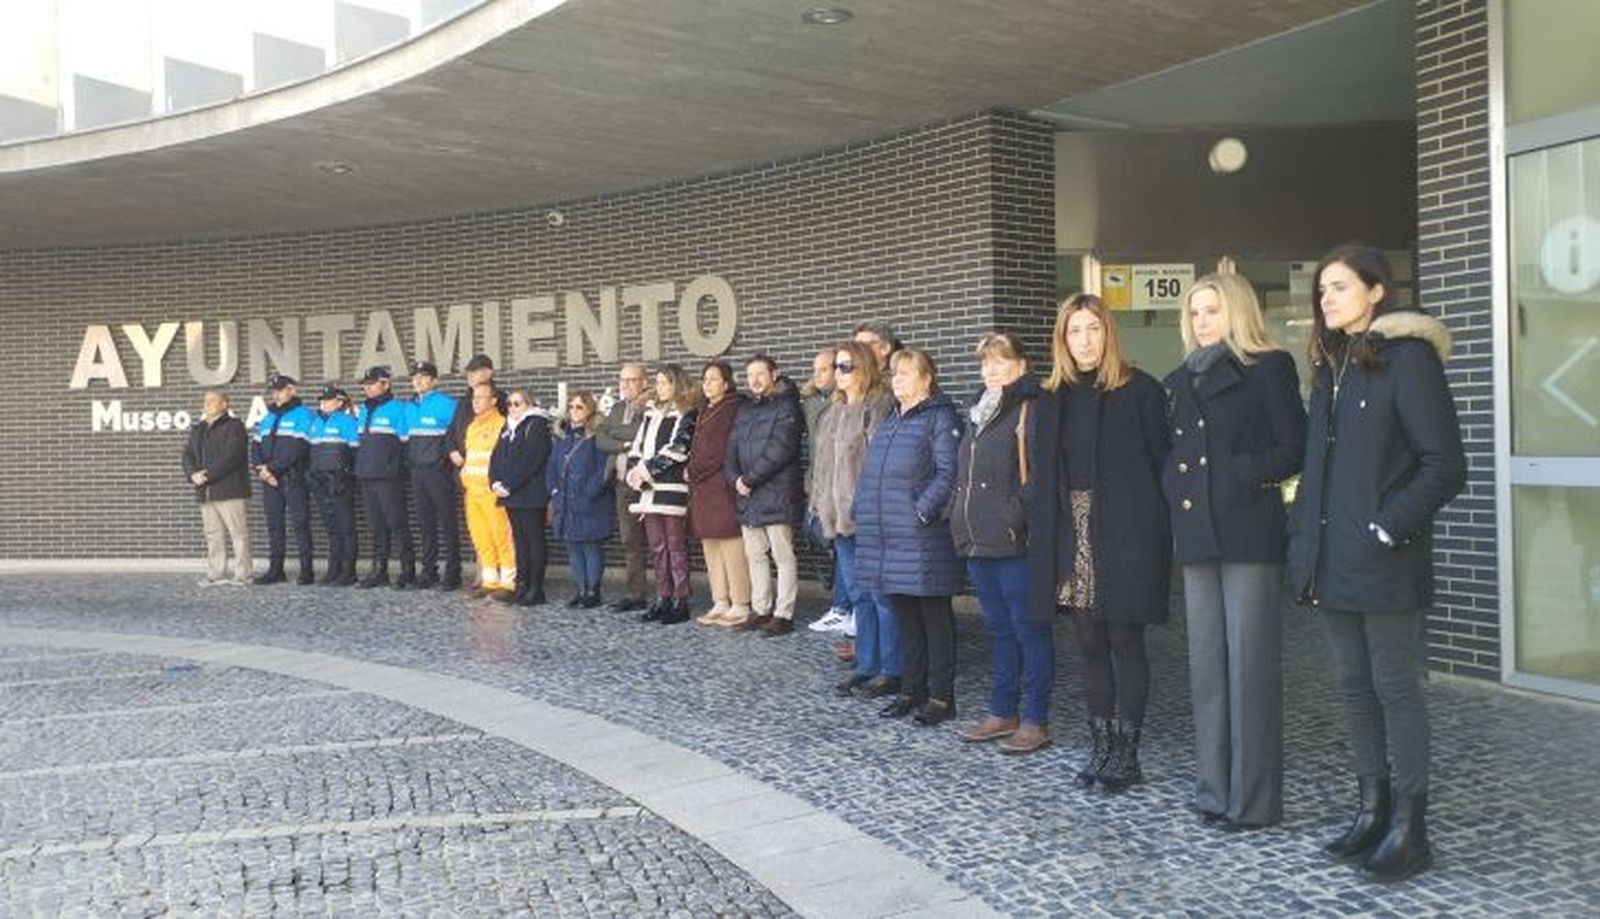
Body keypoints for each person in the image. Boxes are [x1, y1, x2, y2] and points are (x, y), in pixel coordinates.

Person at [1287, 244, 1465, 882]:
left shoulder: (1407, 360)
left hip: (1385, 562)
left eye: (1338, 287)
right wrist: (1302, 540)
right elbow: (1319, 471)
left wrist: (1387, 528)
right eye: (1322, 291)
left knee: (1395, 689)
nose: (1326, 298)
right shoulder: (1332, 364)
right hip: (1333, 562)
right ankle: (1372, 810)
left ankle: (1411, 829)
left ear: (1376, 292)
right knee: (1354, 689)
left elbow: (1445, 464)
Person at [1164, 273, 1307, 826]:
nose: (1202, 321)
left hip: (1248, 533)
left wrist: (1237, 474)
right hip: (1199, 535)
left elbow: (1292, 448)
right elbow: (1169, 452)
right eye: (1195, 312)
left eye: (1213, 311)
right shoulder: (1178, 380)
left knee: (1250, 672)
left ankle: (1253, 801)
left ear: (1238, 313)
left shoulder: (1267, 367)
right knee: (1207, 671)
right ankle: (1213, 790)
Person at [1027, 294, 1172, 792]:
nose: (1085, 340)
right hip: (1071, 529)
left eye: (1093, 329)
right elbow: (1043, 475)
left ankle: (1128, 752)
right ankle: (1101, 744)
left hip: (1127, 529)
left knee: (1124, 640)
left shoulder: (1141, 391)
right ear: (1062, 340)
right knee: (1088, 644)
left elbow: (1162, 467)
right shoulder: (1051, 397)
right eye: (1074, 331)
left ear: (1108, 332)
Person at [952, 332, 1051, 754]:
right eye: (985, 363)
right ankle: (1001, 709)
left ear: (1022, 365)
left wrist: (1014, 515)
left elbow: (1042, 476)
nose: (990, 369)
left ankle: (1034, 718)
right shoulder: (979, 413)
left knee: (1030, 631)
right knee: (998, 630)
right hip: (978, 542)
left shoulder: (1033, 408)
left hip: (1015, 543)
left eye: (1000, 361)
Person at [855, 348, 963, 725]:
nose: (897, 379)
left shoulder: (939, 417)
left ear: (927, 378)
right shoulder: (891, 419)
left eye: (906, 373)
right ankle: (911, 690)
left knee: (934, 620)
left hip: (922, 536)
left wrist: (922, 511)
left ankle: (941, 698)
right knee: (906, 618)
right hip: (889, 537)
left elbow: (950, 472)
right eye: (895, 373)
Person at [812, 340, 899, 698]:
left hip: (869, 518)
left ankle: (892, 669)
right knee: (860, 596)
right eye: (837, 367)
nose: (839, 373)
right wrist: (817, 504)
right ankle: (866, 665)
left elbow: (881, 466)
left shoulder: (878, 407)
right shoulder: (832, 412)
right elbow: (821, 467)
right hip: (838, 521)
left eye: (846, 367)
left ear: (864, 369)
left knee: (881, 596)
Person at [725, 354, 805, 636]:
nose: (756, 380)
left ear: (775, 374)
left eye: (761, 373)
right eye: (751, 375)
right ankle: (761, 610)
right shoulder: (746, 408)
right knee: (755, 555)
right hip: (748, 494)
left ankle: (784, 614)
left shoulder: (788, 406)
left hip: (776, 492)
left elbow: (782, 448)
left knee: (783, 556)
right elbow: (731, 446)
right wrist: (735, 478)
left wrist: (749, 479)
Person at [626, 365, 699, 624]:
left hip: (671, 489)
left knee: (676, 547)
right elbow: (637, 446)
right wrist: (633, 471)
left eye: (665, 382)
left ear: (676, 384)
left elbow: (678, 449)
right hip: (647, 491)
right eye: (657, 383)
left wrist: (645, 470)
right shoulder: (650, 414)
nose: (660, 387)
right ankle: (663, 598)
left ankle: (681, 601)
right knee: (657, 548)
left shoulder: (687, 412)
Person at [686, 361, 752, 626]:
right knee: (710, 544)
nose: (708, 383)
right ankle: (720, 600)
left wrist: (694, 470)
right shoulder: (705, 409)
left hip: (720, 485)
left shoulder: (731, 408)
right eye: (705, 379)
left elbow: (719, 449)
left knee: (730, 544)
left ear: (726, 383)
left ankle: (740, 603)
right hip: (703, 487)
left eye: (714, 379)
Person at [548, 389, 615, 608]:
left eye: (579, 407)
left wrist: (590, 491)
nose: (574, 411)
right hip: (566, 501)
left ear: (589, 410)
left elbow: (604, 468)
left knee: (590, 546)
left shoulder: (597, 436)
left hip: (590, 502)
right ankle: (581, 588)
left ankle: (593, 591)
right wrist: (554, 491)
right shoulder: (563, 438)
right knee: (573, 546)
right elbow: (552, 468)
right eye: (571, 407)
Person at [801, 348, 852, 633]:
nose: (817, 375)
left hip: (840, 487)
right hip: (817, 484)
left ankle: (842, 607)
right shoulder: (809, 401)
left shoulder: (842, 402)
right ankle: (837, 593)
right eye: (815, 370)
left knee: (843, 546)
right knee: (815, 534)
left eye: (823, 369)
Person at [595, 362, 651, 612]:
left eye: (632, 380)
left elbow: (640, 431)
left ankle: (669, 595)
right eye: (622, 380)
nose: (626, 385)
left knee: (662, 542)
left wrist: (619, 434)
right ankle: (635, 594)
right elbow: (600, 437)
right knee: (630, 542)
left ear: (644, 382)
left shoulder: (651, 406)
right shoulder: (617, 408)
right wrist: (624, 445)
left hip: (648, 485)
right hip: (621, 484)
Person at [353, 366, 415, 589]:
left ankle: (407, 570)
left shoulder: (398, 409)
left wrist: (396, 469)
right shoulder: (362, 410)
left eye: (372, 383)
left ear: (386, 384)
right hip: (367, 476)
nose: (367, 388)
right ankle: (379, 570)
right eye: (365, 384)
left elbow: (406, 444)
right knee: (376, 526)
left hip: (389, 477)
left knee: (397, 524)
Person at [250, 374, 316, 585]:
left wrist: (270, 469)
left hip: (293, 479)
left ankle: (307, 571)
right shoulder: (267, 417)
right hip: (269, 481)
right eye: (274, 390)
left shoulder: (304, 415)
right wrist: (261, 471)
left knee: (300, 524)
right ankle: (276, 570)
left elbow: (297, 449)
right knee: (275, 526)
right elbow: (255, 447)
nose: (276, 394)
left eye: (280, 389)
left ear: (292, 390)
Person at [182, 389, 253, 585]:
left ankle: (243, 575)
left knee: (238, 534)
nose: (207, 404)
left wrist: (207, 475)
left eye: (213, 401)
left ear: (225, 404)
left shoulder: (235, 426)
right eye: (205, 401)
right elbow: (187, 455)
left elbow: (233, 456)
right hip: (206, 492)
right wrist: (192, 474)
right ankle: (216, 574)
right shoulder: (198, 429)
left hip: (230, 490)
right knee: (213, 535)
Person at [489, 389, 552, 607]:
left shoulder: (537, 425)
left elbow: (531, 459)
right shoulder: (508, 426)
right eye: (510, 404)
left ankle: (536, 588)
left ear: (529, 404)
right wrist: (495, 481)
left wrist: (509, 484)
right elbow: (497, 455)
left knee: (534, 541)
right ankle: (522, 584)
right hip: (511, 495)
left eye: (518, 404)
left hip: (530, 493)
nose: (513, 408)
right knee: (520, 541)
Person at [405, 361, 463, 590]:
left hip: (439, 473)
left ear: (434, 381)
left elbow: (455, 438)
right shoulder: (408, 406)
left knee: (448, 524)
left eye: (423, 377)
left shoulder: (447, 405)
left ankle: (453, 572)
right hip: (417, 473)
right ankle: (429, 571)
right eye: (415, 377)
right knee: (425, 524)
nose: (418, 381)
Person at [460, 382, 516, 598]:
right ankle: (490, 580)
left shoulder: (502, 424)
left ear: (493, 401)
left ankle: (509, 582)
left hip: (492, 492)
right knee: (481, 537)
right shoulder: (472, 426)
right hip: (472, 493)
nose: (476, 402)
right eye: (474, 398)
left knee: (501, 537)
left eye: (481, 397)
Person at [307, 384, 360, 587]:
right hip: (321, 482)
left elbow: (355, 453)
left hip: (340, 482)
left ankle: (349, 571)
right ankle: (333, 569)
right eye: (322, 399)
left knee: (346, 528)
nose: (324, 403)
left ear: (339, 402)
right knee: (331, 529)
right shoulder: (315, 422)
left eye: (328, 400)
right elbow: (312, 452)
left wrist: (346, 476)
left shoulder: (348, 422)